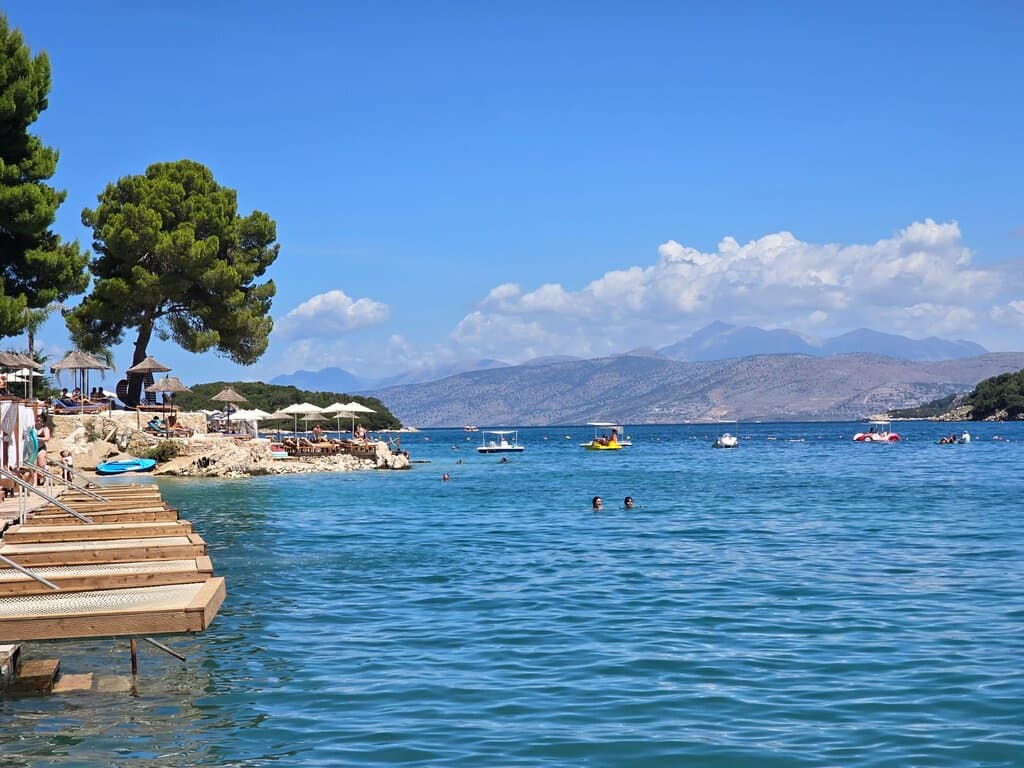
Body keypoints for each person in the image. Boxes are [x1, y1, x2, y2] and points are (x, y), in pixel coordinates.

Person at [35, 416, 51, 485]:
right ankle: (37, 480)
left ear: (43, 422)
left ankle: (46, 478)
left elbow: (47, 438)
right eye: (38, 420)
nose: (39, 422)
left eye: (40, 421)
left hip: (41, 448)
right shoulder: (34, 428)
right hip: (33, 448)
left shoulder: (45, 428)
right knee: (34, 466)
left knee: (42, 465)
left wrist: (37, 438)